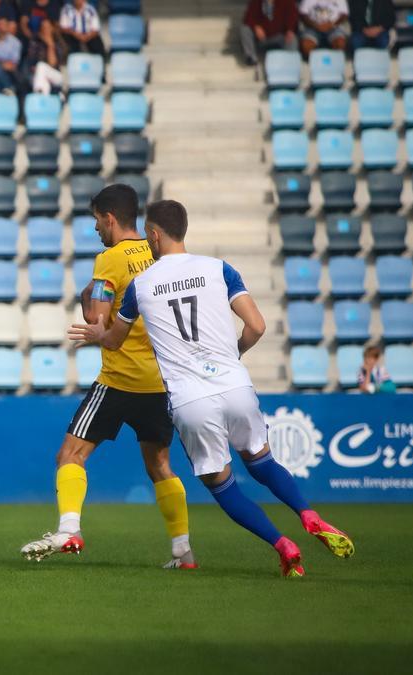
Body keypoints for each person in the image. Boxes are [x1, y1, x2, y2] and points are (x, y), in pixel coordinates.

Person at [69, 200, 355, 577]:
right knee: (262, 460)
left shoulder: (142, 285)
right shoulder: (219, 269)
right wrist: (233, 355)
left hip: (191, 398)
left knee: (222, 483)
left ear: (153, 235)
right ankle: (308, 513)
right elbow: (256, 326)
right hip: (234, 384)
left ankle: (282, 545)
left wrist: (96, 333)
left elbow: (114, 341)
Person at [20, 185, 197, 571]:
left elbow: (97, 321)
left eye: (97, 221)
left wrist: (87, 295)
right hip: (160, 382)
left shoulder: (110, 260)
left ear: (110, 218)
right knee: (160, 465)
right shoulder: (159, 257)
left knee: (70, 455)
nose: (97, 229)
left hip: (118, 380)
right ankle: (183, 551)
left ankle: (69, 529)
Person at [240, 0, 299, 65]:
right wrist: (255, 27)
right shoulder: (256, 2)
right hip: (261, 40)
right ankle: (251, 57)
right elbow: (247, 18)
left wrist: (290, 30)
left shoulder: (287, 2)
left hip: (279, 37)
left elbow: (293, 17)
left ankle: (289, 62)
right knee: (245, 29)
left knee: (292, 38)